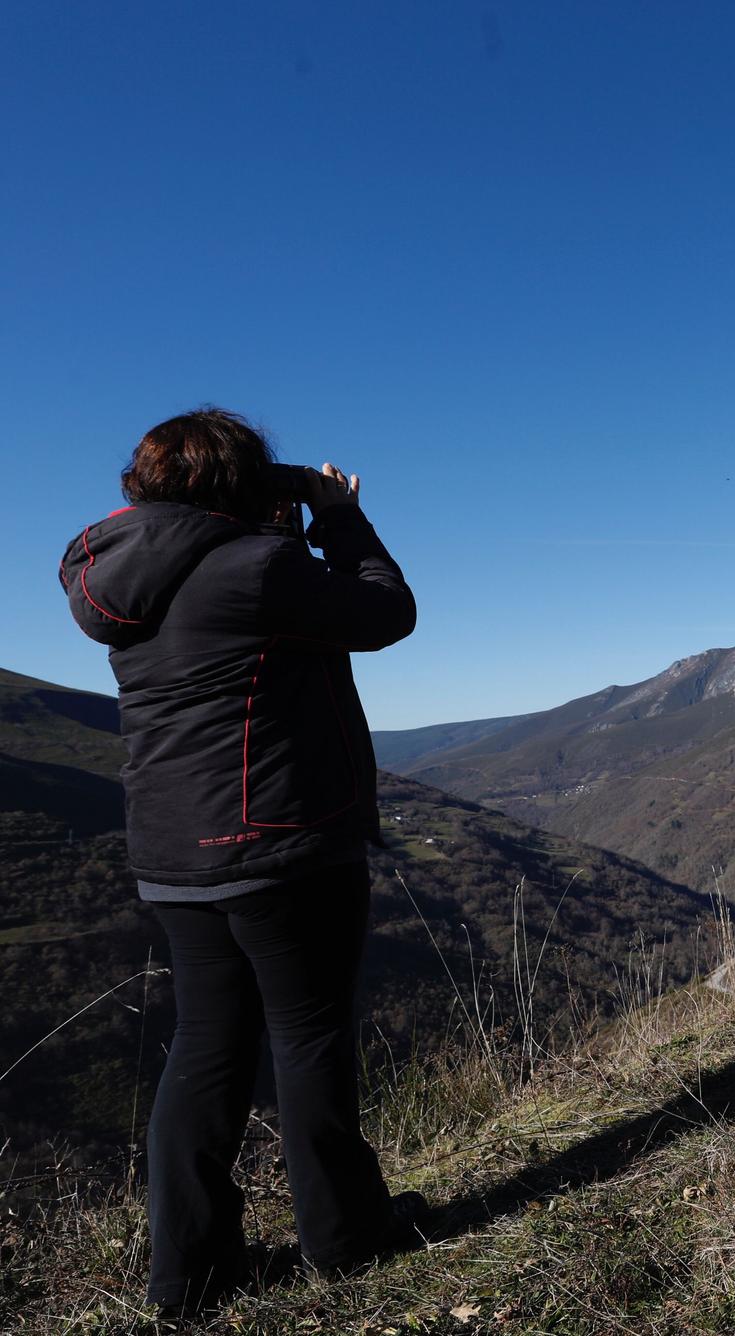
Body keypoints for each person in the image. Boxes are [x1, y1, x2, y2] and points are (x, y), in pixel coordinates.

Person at [60, 408, 423, 1316]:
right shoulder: (257, 566)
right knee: (308, 1039)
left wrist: (273, 512)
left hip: (174, 855)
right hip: (280, 847)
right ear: (243, 485)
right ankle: (346, 1239)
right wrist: (335, 513)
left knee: (208, 1047)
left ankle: (189, 1277)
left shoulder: (114, 583)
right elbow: (387, 611)